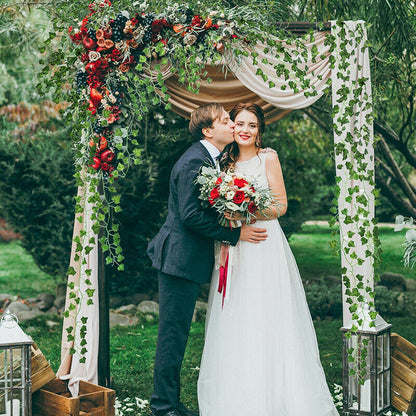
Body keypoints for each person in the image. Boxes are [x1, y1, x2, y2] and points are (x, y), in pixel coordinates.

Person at [197, 103, 339, 416]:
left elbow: (281, 205)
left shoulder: (268, 158)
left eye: (252, 125)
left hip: (264, 242)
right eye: (240, 124)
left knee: (267, 309)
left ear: (260, 131)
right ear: (232, 127)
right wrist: (230, 217)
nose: (245, 130)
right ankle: (239, 390)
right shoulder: (225, 162)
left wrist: (247, 211)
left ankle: (278, 390)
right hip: (237, 244)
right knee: (238, 308)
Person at [147, 103, 268, 416]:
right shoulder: (195, 162)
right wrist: (233, 235)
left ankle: (170, 402)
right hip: (178, 259)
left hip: (185, 260)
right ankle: (163, 406)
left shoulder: (210, 159)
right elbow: (189, 217)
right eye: (226, 120)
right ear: (208, 130)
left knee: (178, 333)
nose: (232, 125)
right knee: (172, 335)